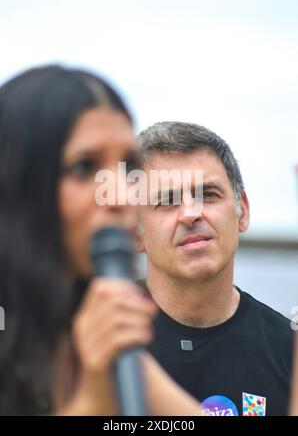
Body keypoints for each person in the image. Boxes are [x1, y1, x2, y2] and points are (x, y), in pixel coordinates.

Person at [0, 67, 202, 416]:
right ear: (19, 185)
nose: (119, 194)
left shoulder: (90, 328)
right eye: (83, 167)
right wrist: (94, 401)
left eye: (128, 167)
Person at [136, 121, 294, 416]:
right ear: (135, 233)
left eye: (208, 194)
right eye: (167, 201)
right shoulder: (94, 343)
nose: (191, 214)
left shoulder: (289, 352)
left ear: (242, 211)